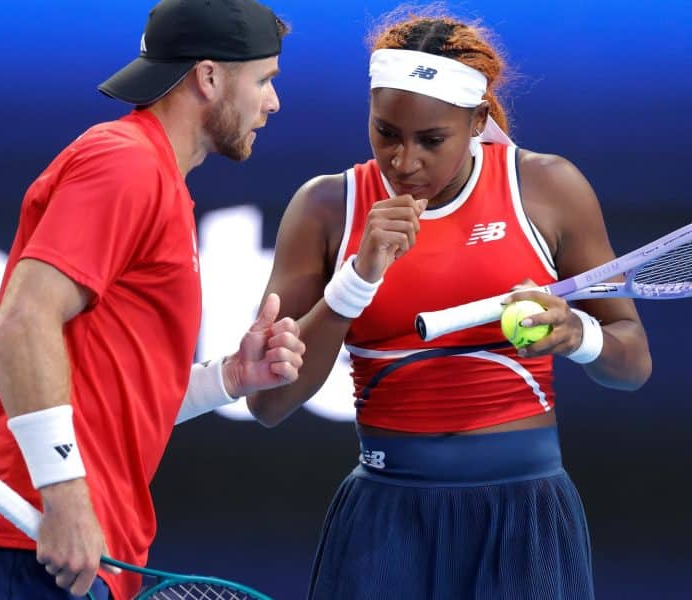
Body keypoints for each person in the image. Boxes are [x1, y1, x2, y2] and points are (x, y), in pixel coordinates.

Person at [246, 7, 652, 599]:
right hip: (384, 523)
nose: (404, 162)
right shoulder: (326, 208)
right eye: (386, 132)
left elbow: (633, 362)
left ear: (478, 120)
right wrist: (356, 280)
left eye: (431, 140)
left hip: (526, 520)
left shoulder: (549, 188)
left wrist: (578, 336)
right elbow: (268, 401)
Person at [0, 1, 303, 598]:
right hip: (26, 531)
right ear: (209, 77)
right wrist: (63, 492)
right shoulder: (125, 162)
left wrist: (228, 378)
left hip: (71, 541)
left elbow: (114, 391)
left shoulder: (159, 182)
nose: (272, 102)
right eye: (263, 80)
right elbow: (23, 321)